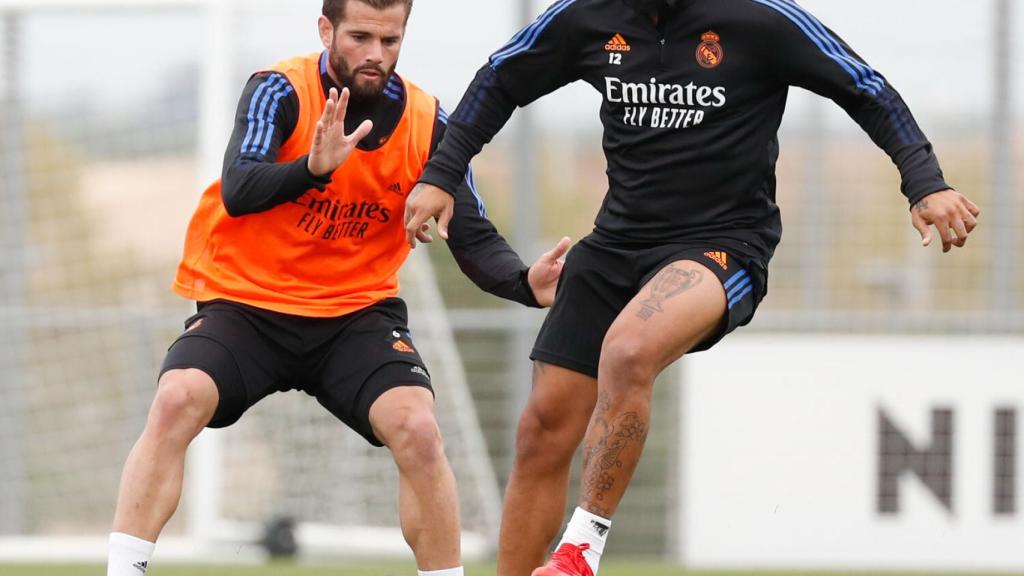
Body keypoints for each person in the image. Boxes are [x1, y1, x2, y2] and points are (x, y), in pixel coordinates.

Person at [404, 0, 980, 575]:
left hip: (723, 246)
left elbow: (864, 87)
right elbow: (501, 77)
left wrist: (924, 182)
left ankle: (580, 550)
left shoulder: (761, 18)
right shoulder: (586, 15)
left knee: (628, 349)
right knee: (541, 430)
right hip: (614, 245)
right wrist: (442, 175)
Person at [105, 1, 570, 575]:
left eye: (390, 41)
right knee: (177, 398)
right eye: (360, 37)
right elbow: (240, 187)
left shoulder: (428, 121)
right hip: (248, 304)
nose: (376, 54)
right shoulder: (279, 91)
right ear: (326, 29)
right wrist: (311, 169)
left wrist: (524, 282)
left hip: (356, 315)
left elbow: (470, 232)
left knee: (418, 429)